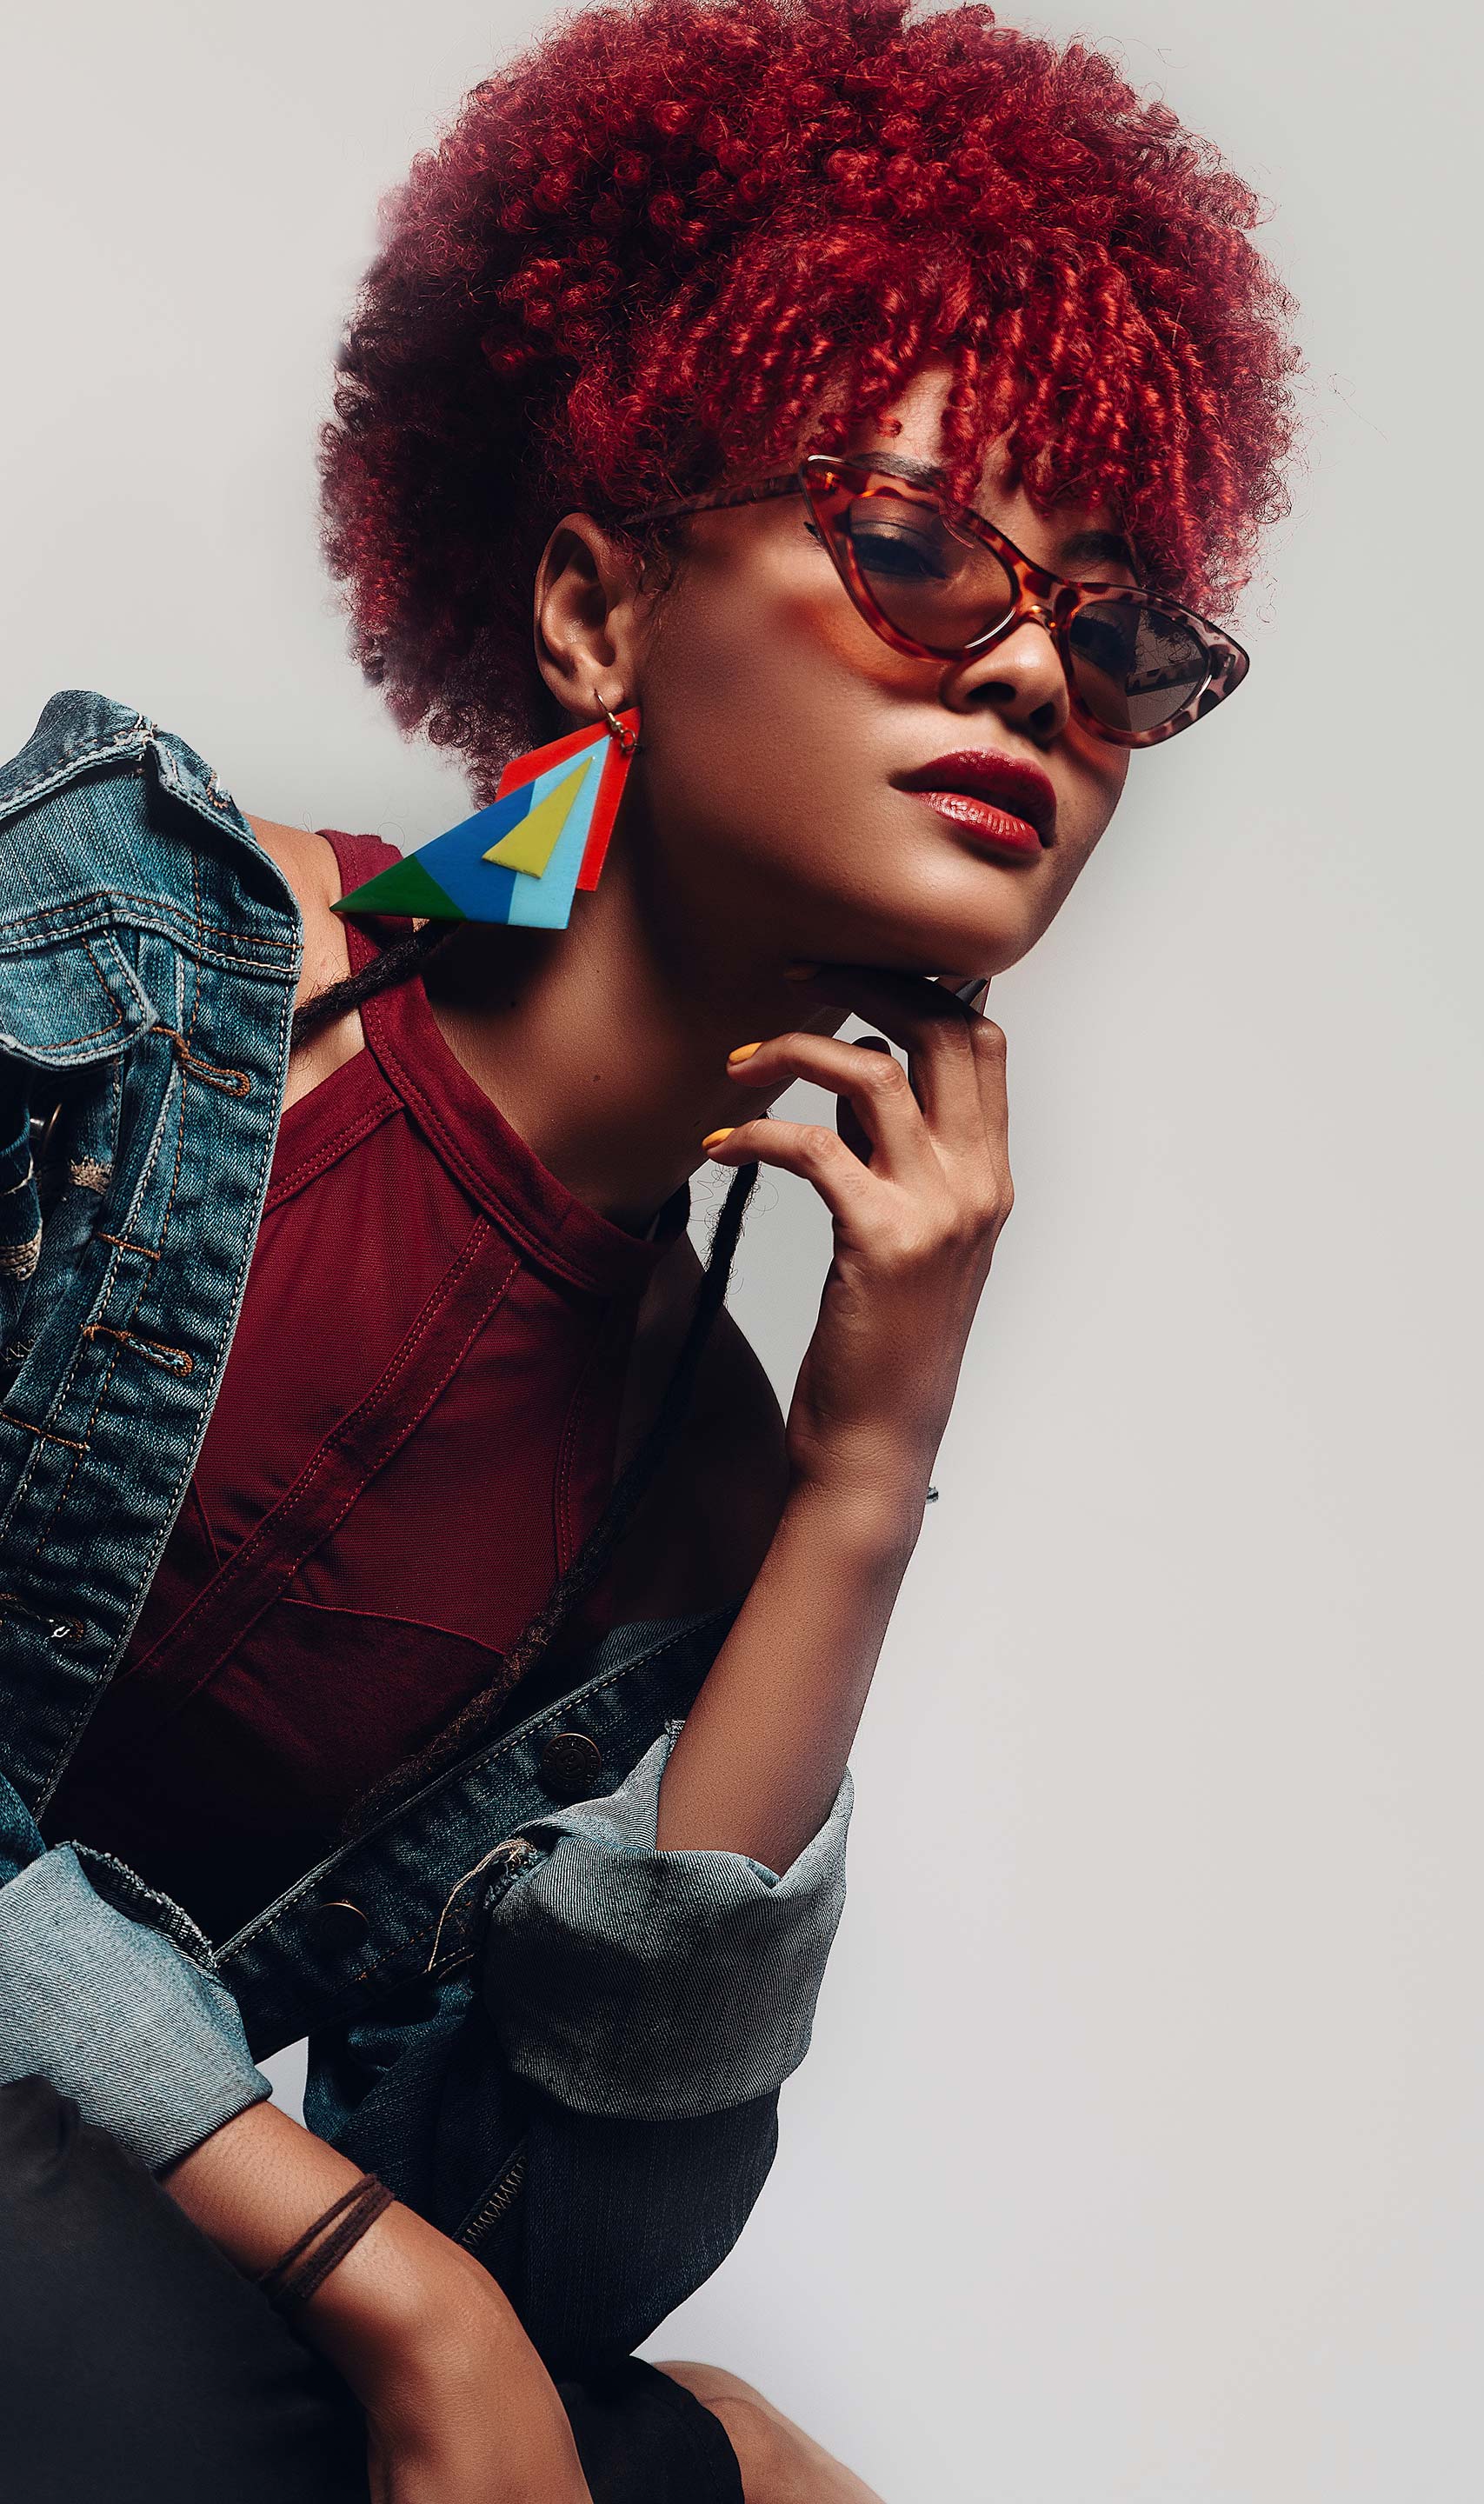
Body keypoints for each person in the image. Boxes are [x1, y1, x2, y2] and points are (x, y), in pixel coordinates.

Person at [0, 0, 1297, 2493]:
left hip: (76, 2284)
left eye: (1119, 634)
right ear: (595, 613)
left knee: (729, 2478)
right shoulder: (152, 968)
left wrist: (857, 1474)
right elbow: (424, 2289)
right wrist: (347, 2261)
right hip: (77, 2300)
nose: (1034, 664)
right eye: (919, 547)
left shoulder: (691, 1470)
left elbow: (546, 2250)